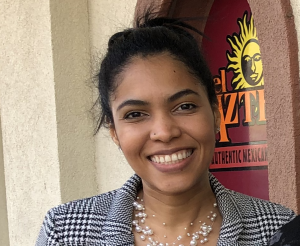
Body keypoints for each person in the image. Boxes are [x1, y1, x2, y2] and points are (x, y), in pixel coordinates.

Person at [35, 10, 295, 246]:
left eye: (184, 107)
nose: (164, 131)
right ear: (114, 131)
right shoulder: (65, 232)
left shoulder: (279, 229)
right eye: (135, 114)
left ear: (216, 114)